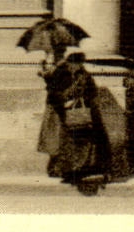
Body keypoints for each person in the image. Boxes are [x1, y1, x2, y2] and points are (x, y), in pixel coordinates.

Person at [37, 48, 108, 194]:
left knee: (76, 144)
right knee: (67, 144)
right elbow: (55, 94)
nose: (79, 66)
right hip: (63, 116)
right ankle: (66, 172)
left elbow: (91, 91)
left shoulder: (79, 74)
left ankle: (71, 171)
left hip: (75, 115)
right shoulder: (63, 73)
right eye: (78, 63)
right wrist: (70, 95)